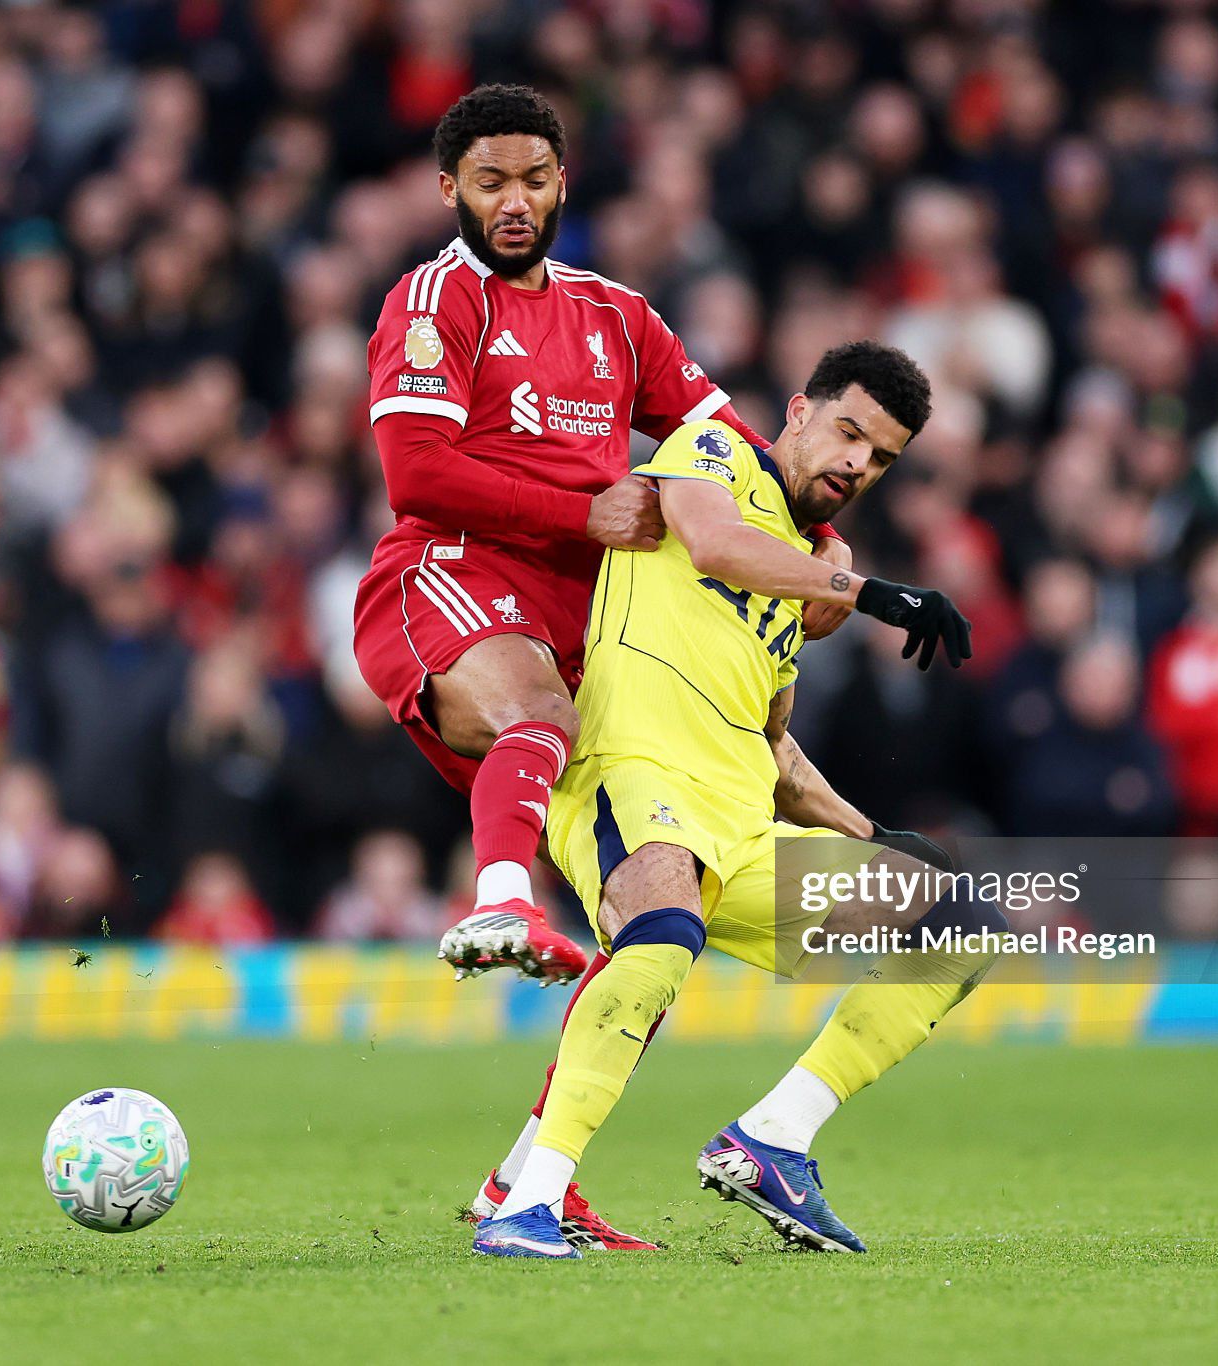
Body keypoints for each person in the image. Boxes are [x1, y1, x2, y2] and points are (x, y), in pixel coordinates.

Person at [471, 342, 994, 1259]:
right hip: (634, 777)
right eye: (847, 433)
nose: (856, 464)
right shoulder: (711, 452)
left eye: (880, 457)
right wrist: (871, 593)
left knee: (960, 925)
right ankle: (527, 1203)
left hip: (741, 828)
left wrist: (873, 831)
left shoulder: (800, 573)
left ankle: (774, 1137)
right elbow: (715, 544)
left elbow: (771, 745)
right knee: (661, 933)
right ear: (799, 411)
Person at [352, 84, 854, 985]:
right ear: (449, 189)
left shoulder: (616, 316)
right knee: (540, 713)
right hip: (454, 572)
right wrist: (582, 514)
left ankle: (569, 1079)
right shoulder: (435, 299)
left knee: (655, 894)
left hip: (593, 613)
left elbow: (733, 449)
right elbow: (416, 474)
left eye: (534, 180)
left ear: (563, 183)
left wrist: (817, 539)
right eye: (491, 182)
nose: (515, 202)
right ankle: (502, 904)